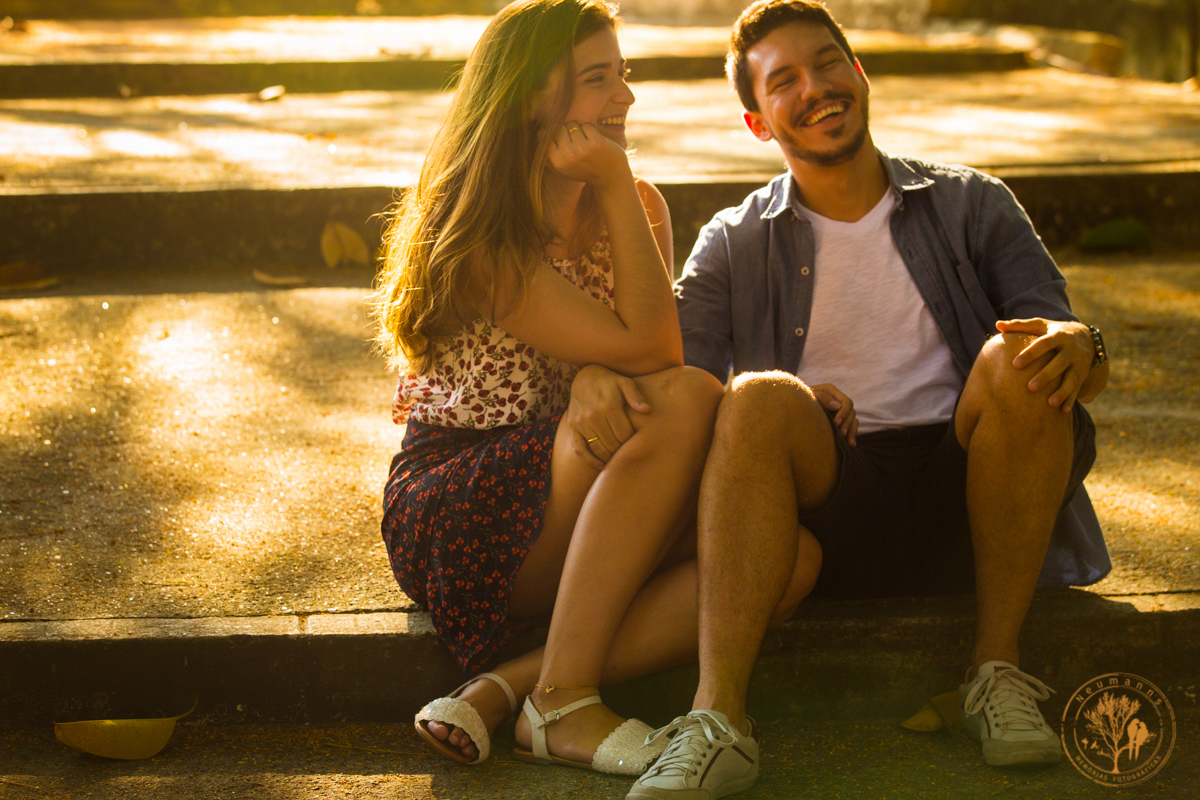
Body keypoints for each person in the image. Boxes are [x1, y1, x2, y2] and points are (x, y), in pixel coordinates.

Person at [615, 1, 1114, 797]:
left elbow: (1070, 352)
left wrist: (1086, 345)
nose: (815, 87)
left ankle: (996, 672)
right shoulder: (735, 240)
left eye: (827, 62)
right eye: (785, 81)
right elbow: (683, 391)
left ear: (860, 71)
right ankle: (719, 722)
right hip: (827, 502)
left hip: (976, 486)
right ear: (757, 120)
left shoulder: (972, 203)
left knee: (1018, 351)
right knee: (756, 397)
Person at [373, 0, 734, 777]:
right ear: (533, 100)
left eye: (624, 74)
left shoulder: (636, 208)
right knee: (690, 397)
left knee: (781, 559)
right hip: (465, 506)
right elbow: (658, 354)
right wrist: (611, 174)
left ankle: (512, 687)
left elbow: (645, 361)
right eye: (598, 80)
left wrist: (616, 193)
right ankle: (565, 701)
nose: (626, 98)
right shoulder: (477, 233)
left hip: (591, 474)